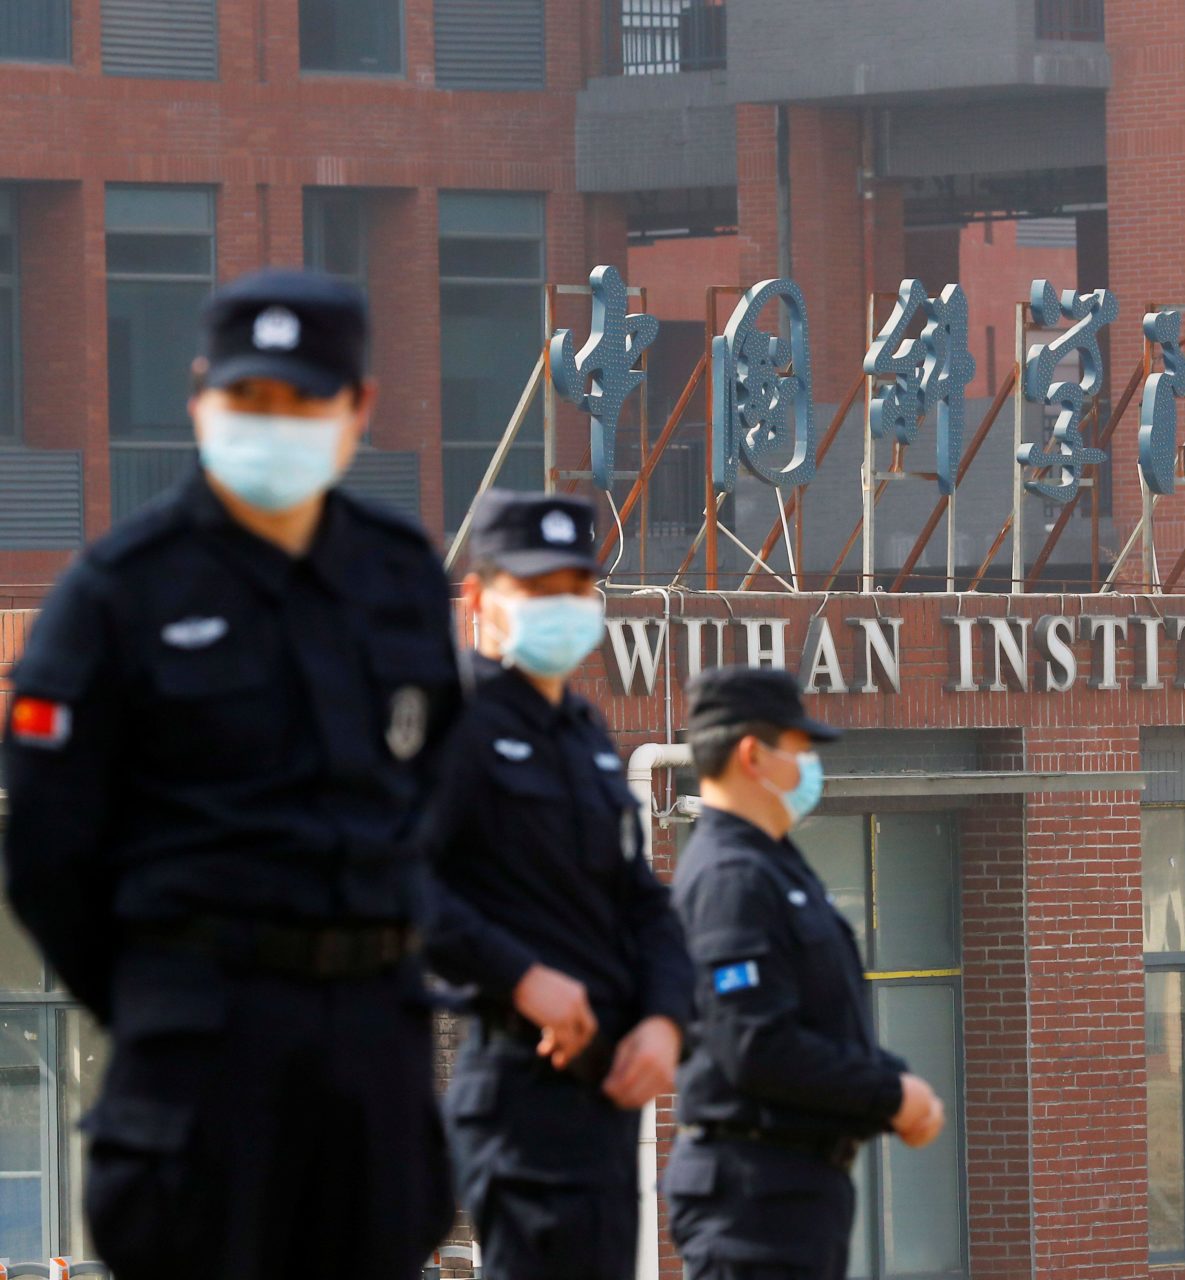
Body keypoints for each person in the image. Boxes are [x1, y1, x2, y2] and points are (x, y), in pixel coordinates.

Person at [1, 268, 460, 1279]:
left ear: (359, 411)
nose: (274, 425)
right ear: (201, 395)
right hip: (203, 1047)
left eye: (304, 401)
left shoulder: (400, 575)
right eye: (249, 399)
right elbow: (46, 848)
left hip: (371, 1047)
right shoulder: (120, 591)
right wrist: (164, 989)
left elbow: (433, 790)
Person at [424, 489, 694, 1280]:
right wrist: (522, 978)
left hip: (604, 1098)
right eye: (537, 589)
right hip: (519, 1092)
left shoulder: (586, 736)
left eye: (578, 587)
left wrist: (665, 1020)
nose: (564, 606)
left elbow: (642, 902)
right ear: (478, 597)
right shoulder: (452, 722)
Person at [662, 666, 946, 1280]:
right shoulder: (730, 878)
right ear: (751, 755)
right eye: (799, 751)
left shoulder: (774, 867)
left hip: (791, 1192)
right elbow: (754, 1044)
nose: (810, 768)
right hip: (755, 1195)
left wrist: (893, 1083)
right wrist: (890, 1095)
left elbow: (823, 1017)